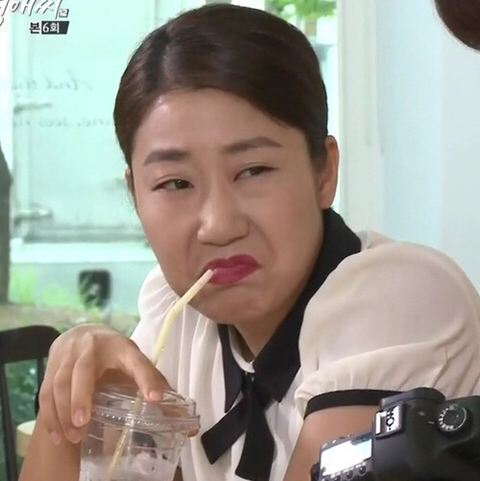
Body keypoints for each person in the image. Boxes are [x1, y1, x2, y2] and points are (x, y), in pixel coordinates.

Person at [19, 3, 480, 481]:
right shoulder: (178, 320)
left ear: (324, 172)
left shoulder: (398, 298)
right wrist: (74, 395)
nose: (218, 225)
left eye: (254, 171)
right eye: (175, 183)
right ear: (134, 194)